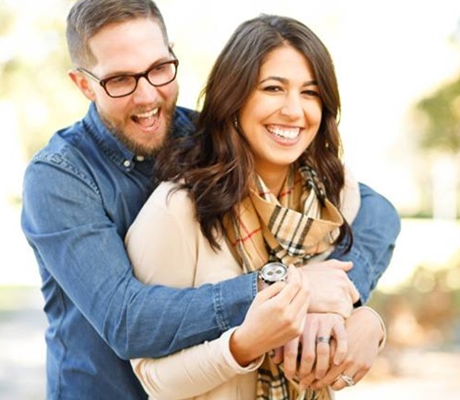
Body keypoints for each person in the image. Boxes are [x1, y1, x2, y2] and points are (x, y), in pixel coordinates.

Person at [20, 0, 401, 398]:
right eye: (119, 80)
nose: (148, 96)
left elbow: (376, 210)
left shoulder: (209, 138)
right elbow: (128, 320)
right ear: (84, 84)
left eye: (159, 69)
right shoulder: (60, 177)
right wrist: (287, 287)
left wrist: (349, 302)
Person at [124, 13, 388, 399]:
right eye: (273, 88)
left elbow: (338, 292)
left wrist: (369, 321)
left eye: (310, 93)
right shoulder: (177, 210)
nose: (294, 111)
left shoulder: (335, 193)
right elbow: (153, 377)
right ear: (235, 97)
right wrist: (244, 343)